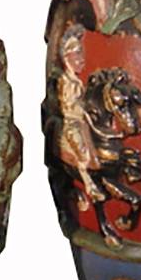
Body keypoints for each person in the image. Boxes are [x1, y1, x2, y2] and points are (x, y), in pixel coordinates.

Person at [57, 24, 99, 204]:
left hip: (82, 121)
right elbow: (67, 106)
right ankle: (89, 186)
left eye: (82, 54)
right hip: (72, 123)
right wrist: (82, 110)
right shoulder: (65, 81)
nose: (82, 59)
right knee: (84, 155)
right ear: (67, 57)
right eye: (77, 55)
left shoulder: (78, 82)